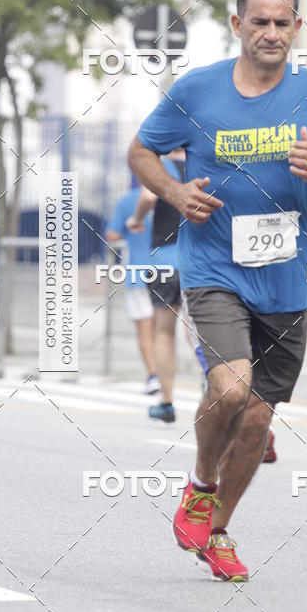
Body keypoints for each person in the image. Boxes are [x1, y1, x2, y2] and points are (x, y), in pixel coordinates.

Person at [128, 0, 307, 581]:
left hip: (284, 281)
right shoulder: (197, 91)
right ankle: (201, 486)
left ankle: (218, 529)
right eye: (260, 21)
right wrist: (174, 192)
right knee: (230, 390)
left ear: (298, 29)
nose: (272, 33)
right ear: (237, 24)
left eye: (283, 23)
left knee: (257, 417)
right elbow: (141, 151)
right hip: (214, 268)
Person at [127, 150, 185, 423]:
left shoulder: (163, 166)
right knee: (203, 331)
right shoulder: (207, 161)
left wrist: (136, 220)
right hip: (202, 259)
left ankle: (167, 401)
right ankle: (216, 391)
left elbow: (149, 196)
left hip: (165, 260)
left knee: (164, 333)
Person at [106, 186, 159, 394]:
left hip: (139, 272)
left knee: (145, 330)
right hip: (171, 270)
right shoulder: (172, 192)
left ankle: (153, 375)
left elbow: (112, 234)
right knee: (165, 330)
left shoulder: (128, 200)